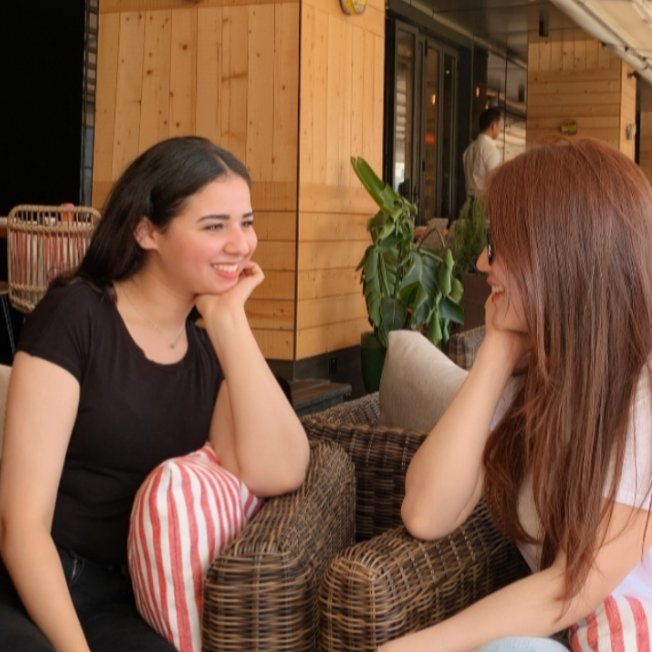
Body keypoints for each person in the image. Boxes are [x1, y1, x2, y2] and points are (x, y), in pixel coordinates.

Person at [0, 136, 310, 651]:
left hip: (127, 599)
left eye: (247, 222)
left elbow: (280, 469)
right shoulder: (76, 317)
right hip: (32, 583)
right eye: (215, 226)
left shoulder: (209, 350)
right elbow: (22, 527)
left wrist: (229, 320)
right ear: (147, 232)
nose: (241, 244)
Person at [381, 137, 652, 651]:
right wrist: (498, 351)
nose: (483, 262)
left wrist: (414, 647)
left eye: (500, 245)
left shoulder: (643, 386)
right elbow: (426, 512)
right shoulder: (538, 369)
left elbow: (572, 586)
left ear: (561, 255)